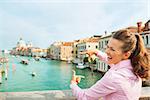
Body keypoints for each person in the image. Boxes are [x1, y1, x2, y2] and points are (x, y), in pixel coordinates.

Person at [70, 29, 150, 100]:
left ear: (126, 54)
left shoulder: (114, 77)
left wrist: (73, 84)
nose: (106, 51)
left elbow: (84, 97)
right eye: (107, 47)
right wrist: (96, 52)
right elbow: (110, 60)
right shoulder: (135, 67)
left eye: (112, 49)